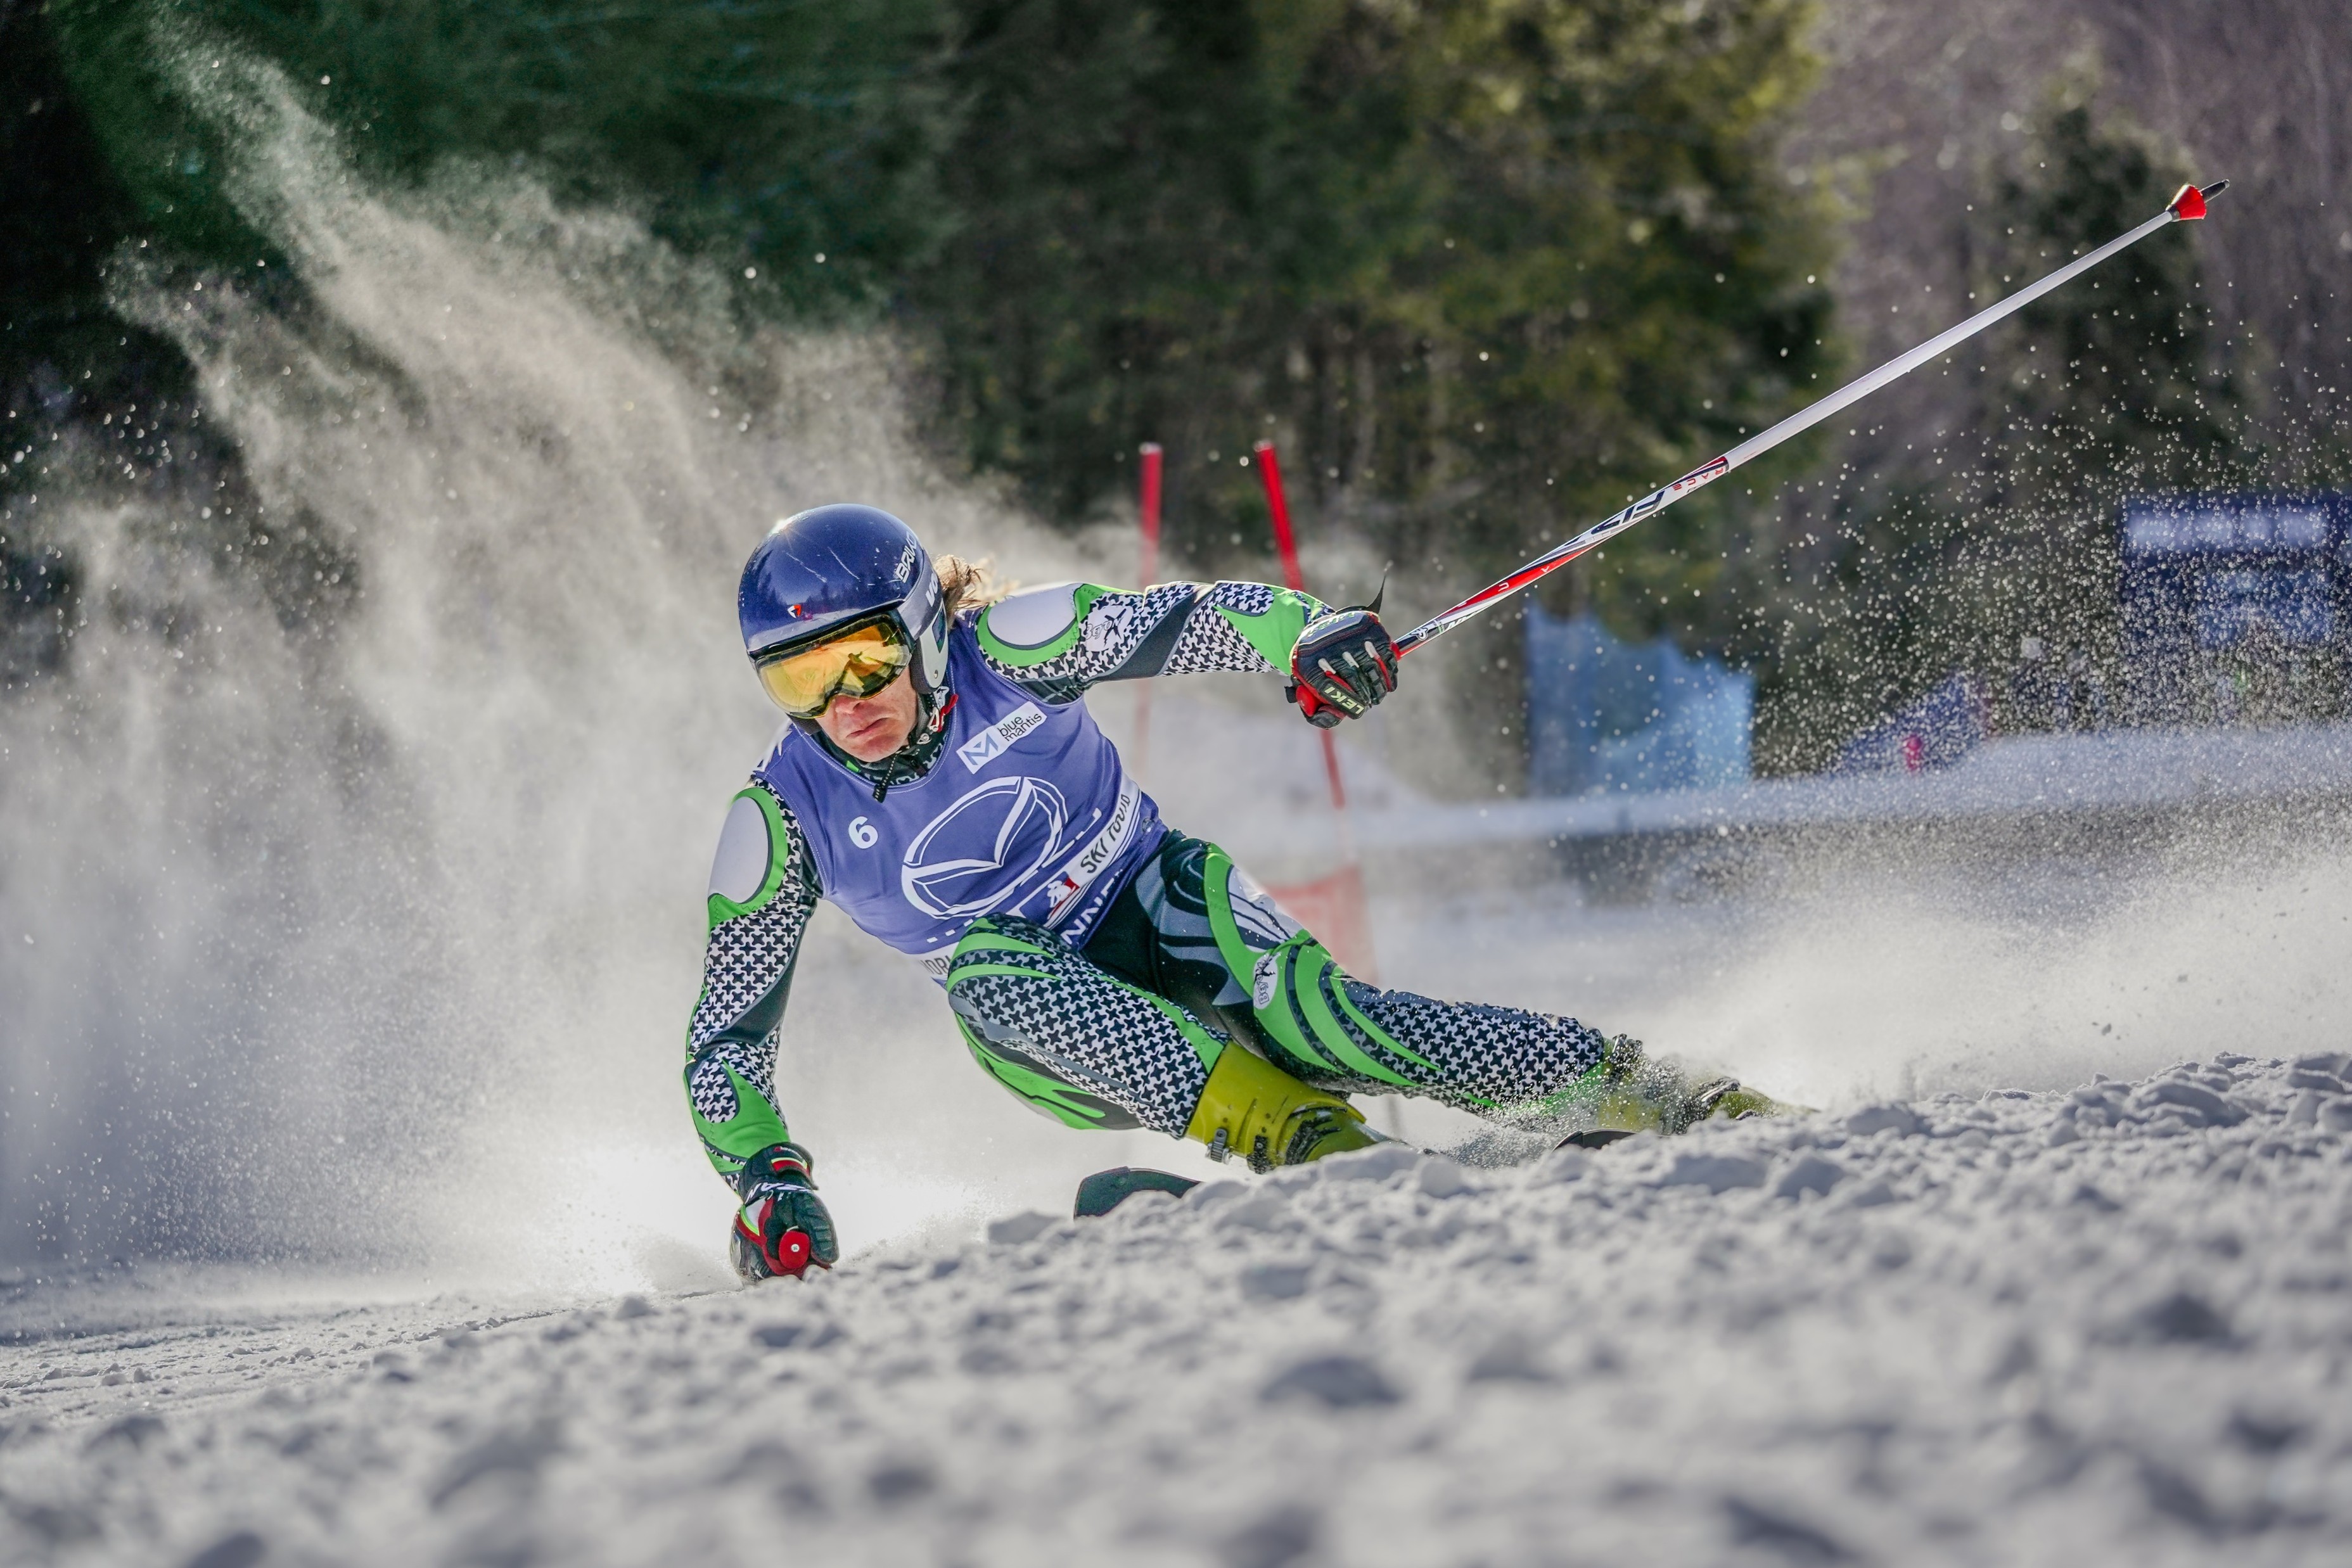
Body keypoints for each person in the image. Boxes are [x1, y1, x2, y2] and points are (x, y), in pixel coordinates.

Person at [686, 504, 1779, 1281]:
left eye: (866, 657)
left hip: (1156, 896)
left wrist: (1308, 635)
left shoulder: (1010, 648)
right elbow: (724, 1042)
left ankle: (1667, 1093)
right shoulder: (783, 817)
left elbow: (1195, 617)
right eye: (800, 678)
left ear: (925, 626)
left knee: (1326, 1024)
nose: (845, 703)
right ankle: (1330, 1157)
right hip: (1046, 1028)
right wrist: (769, 1179)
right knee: (987, 964)